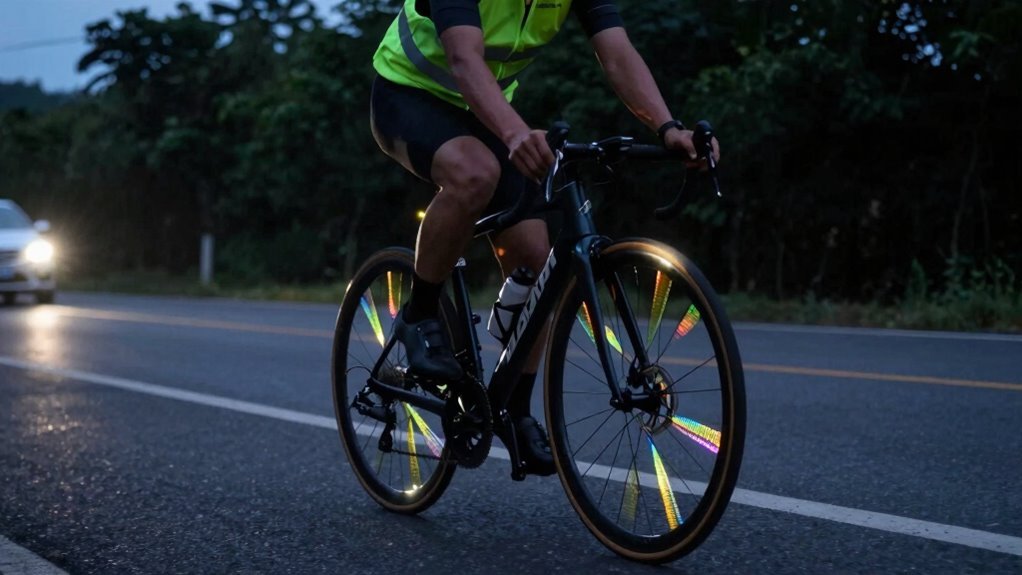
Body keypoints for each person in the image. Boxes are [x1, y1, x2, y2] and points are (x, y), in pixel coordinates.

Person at [369, 0, 718, 476]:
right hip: (407, 95)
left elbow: (616, 52)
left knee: (541, 262)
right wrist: (514, 133)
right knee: (475, 174)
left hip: (483, 108)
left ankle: (514, 406)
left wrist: (668, 127)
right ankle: (420, 315)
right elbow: (464, 57)